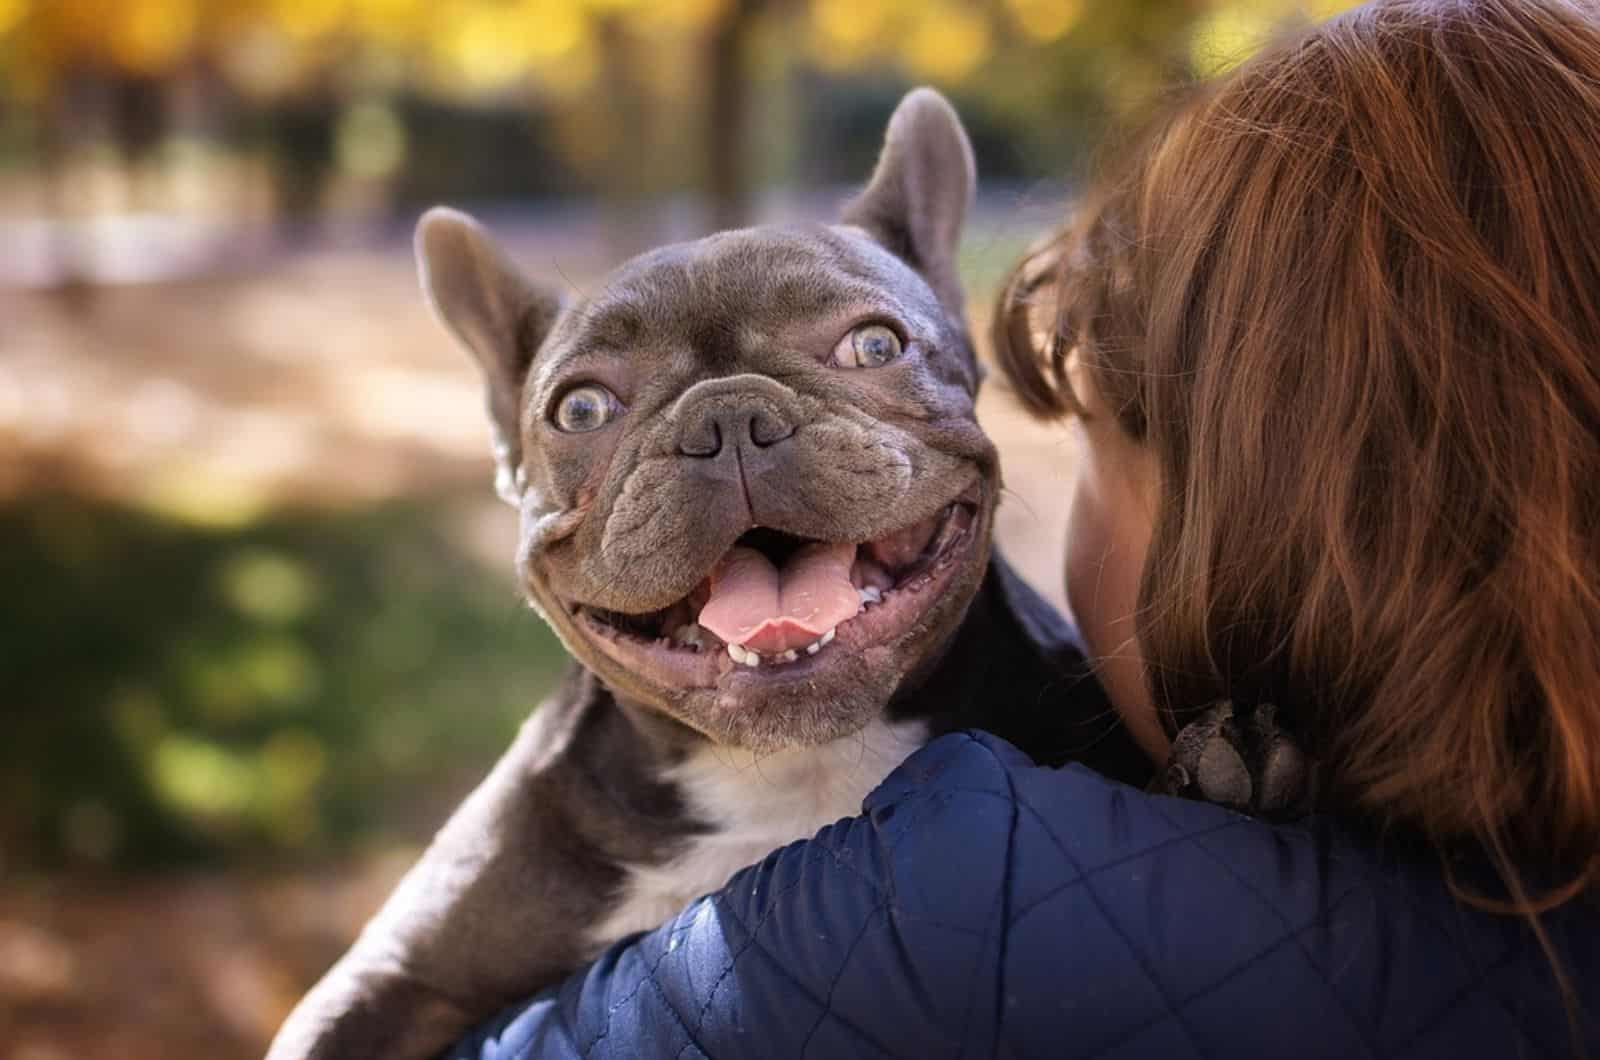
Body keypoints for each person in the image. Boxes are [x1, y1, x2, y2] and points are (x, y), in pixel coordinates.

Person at [447, 1, 1600, 1055]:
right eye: (586, 406)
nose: (731, 439)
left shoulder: (944, 900)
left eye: (1091, 432)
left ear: (1266, 516)